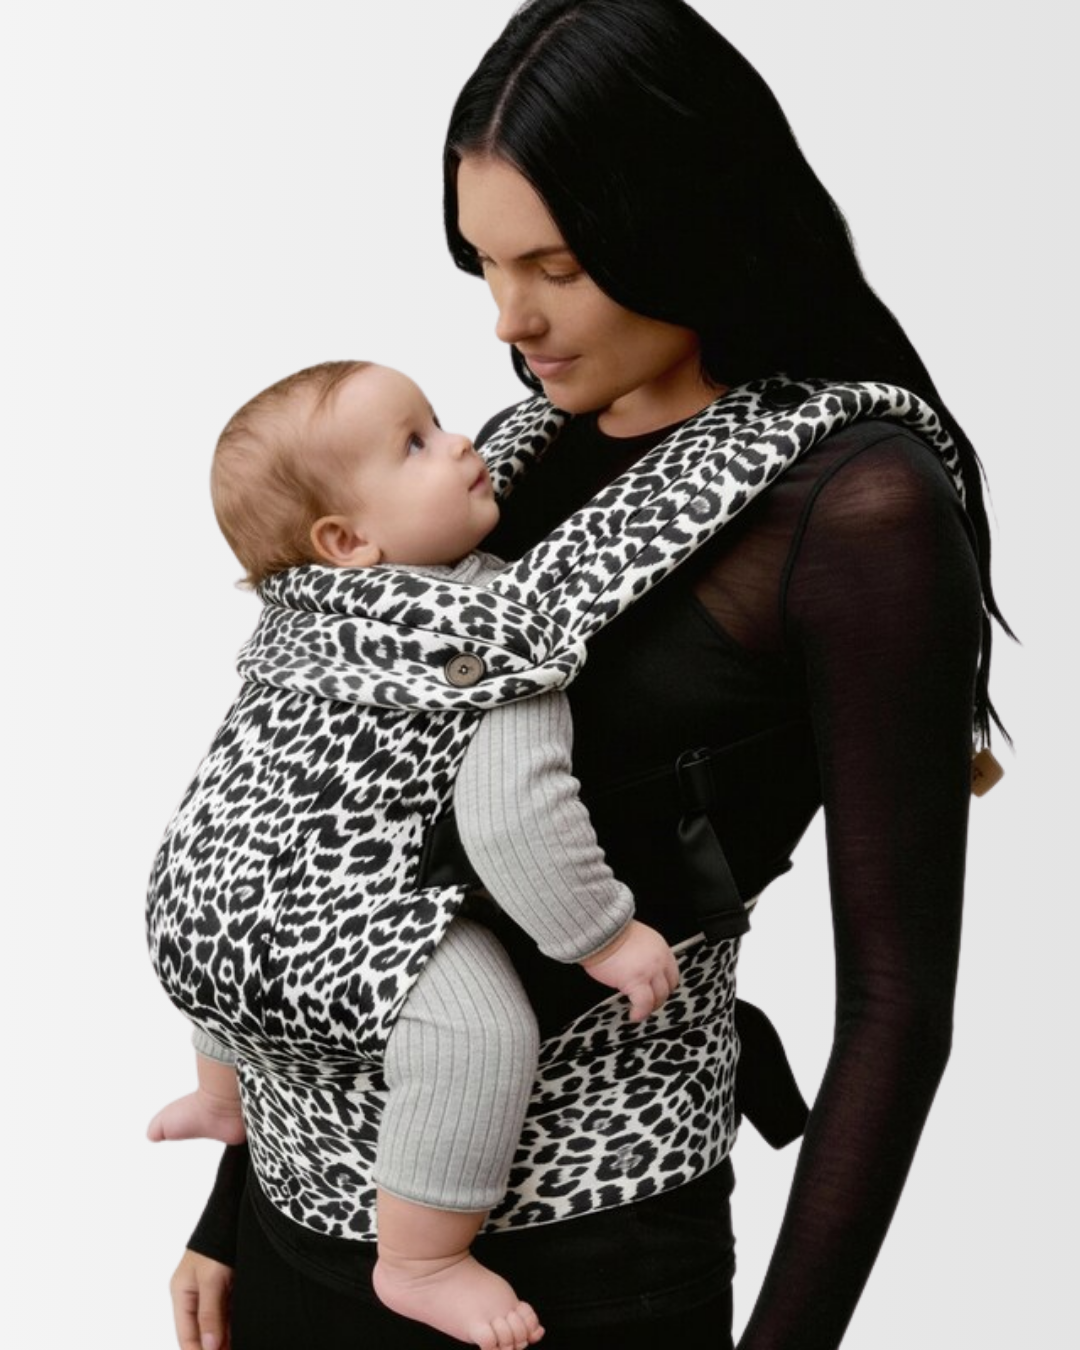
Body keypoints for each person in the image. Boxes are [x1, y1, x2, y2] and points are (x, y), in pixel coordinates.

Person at [167, 2, 1009, 1347]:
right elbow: (334, 825)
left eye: (555, 266)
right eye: (486, 266)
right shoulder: (513, 457)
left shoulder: (855, 508)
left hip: (585, 1259)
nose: (512, 319)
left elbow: (896, 1008)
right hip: (303, 1221)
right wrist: (232, 1202)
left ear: (682, 225)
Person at [148, 357, 683, 1348]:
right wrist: (604, 937)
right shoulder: (493, 631)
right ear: (346, 541)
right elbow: (514, 820)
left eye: (436, 422)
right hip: (348, 915)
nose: (460, 442)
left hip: (197, 897)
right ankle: (423, 1260)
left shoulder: (297, 620)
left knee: (241, 962)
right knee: (476, 1033)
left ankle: (221, 1097)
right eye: (417, 444)